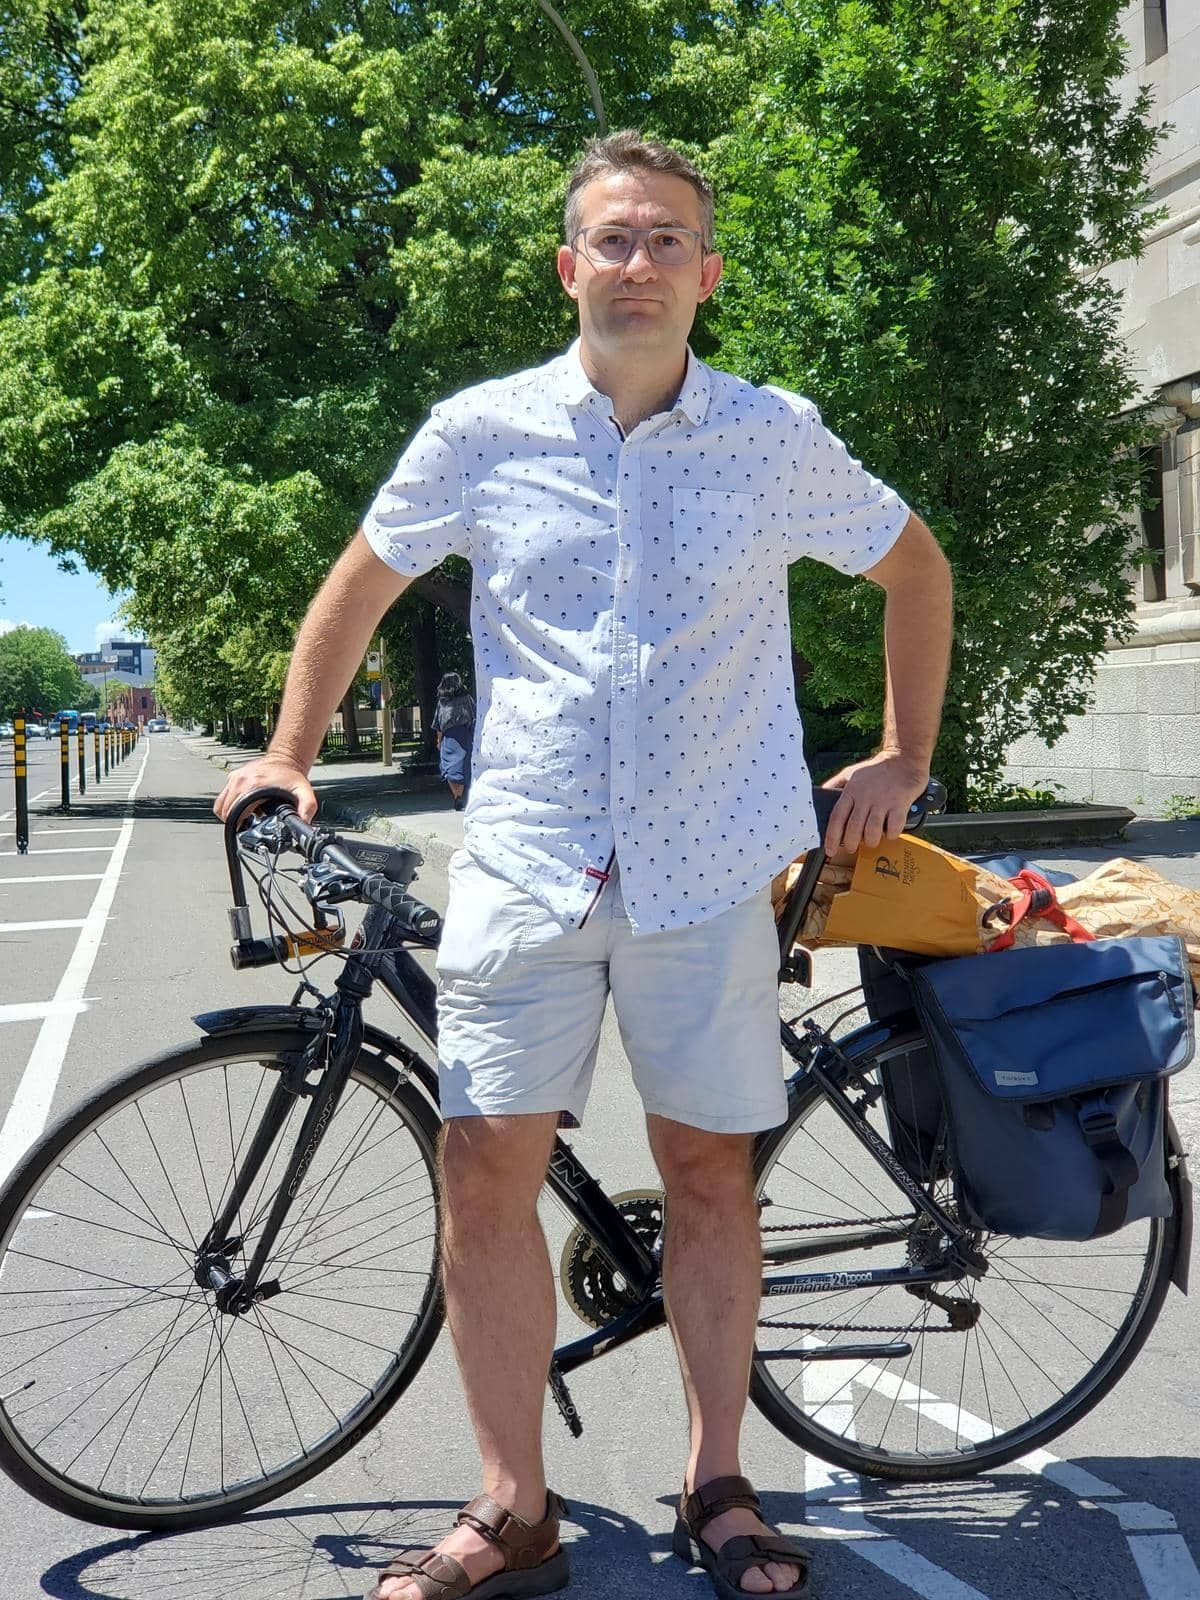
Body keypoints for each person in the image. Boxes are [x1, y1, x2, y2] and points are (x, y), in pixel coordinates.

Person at [215, 130, 953, 1600]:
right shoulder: (478, 431)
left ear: (707, 275)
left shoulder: (772, 433)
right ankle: (513, 1510)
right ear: (570, 267)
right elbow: (359, 585)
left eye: (668, 240)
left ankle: (717, 1481)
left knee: (708, 1175)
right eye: (613, 240)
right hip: (533, 855)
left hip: (708, 869)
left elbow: (915, 567)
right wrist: (292, 752)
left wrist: (902, 753)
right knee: (483, 1167)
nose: (639, 263)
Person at [432, 671, 476, 809]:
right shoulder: (467, 698)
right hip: (464, 737)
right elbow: (474, 716)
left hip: (448, 738)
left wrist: (439, 741)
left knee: (449, 769)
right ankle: (460, 795)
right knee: (463, 766)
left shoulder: (442, 703)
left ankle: (457, 795)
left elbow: (438, 724)